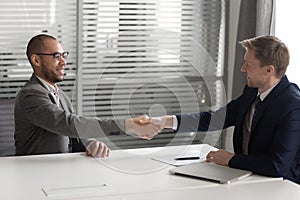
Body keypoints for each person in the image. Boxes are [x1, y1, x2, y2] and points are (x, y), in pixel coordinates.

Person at [142, 35, 300, 184]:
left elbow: (278, 165)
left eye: (248, 65)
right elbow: (217, 118)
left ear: (269, 70)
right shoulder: (253, 91)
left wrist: (230, 159)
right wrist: (164, 122)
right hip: (247, 179)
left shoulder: (293, 106)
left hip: (280, 187)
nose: (243, 69)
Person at [14, 34, 161, 157]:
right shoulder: (31, 95)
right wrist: (129, 125)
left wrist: (89, 143)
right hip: (35, 174)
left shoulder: (60, 95)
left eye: (63, 55)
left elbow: (72, 134)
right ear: (36, 60)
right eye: (56, 56)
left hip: (61, 169)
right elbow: (68, 124)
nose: (64, 62)